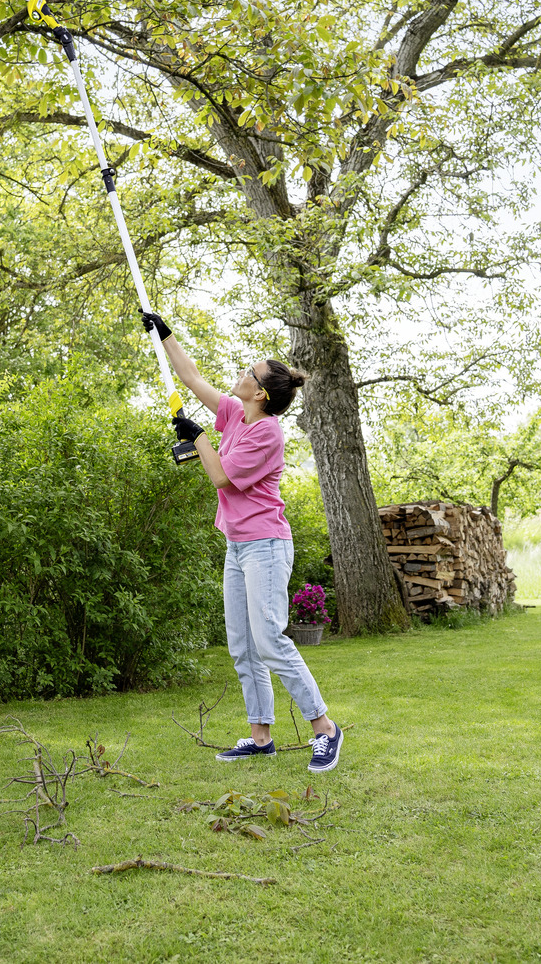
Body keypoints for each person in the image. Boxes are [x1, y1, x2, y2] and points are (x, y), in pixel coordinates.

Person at [141, 311, 342, 773]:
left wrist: (196, 438)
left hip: (267, 546)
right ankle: (260, 737)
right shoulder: (233, 413)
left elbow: (222, 478)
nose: (240, 374)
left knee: (269, 640)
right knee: (242, 645)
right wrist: (165, 334)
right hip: (238, 546)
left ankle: (325, 729)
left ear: (262, 392)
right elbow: (191, 378)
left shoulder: (267, 433)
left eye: (248, 373)